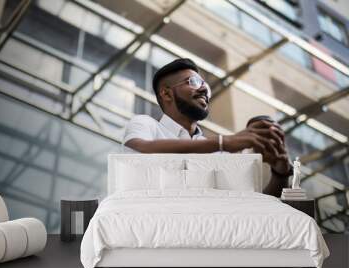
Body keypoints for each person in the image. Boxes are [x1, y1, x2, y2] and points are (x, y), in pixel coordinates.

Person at [122, 58, 292, 197]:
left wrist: (280, 173)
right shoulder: (146, 124)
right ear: (166, 93)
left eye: (205, 85)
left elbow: (251, 205)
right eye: (194, 82)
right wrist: (222, 142)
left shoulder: (219, 153)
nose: (204, 89)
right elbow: (141, 149)